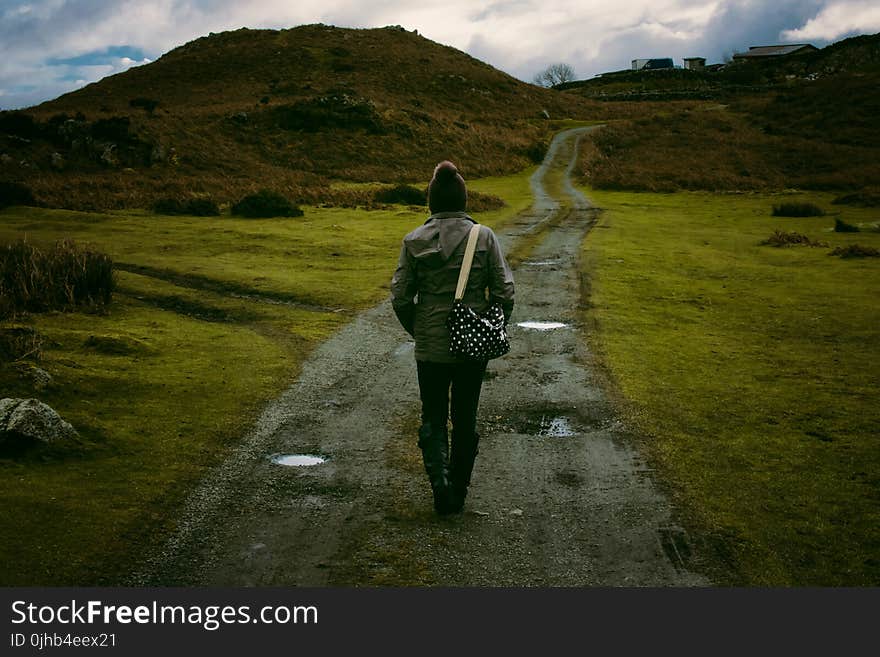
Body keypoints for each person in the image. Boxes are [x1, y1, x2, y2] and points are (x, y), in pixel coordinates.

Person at [390, 161, 515, 515]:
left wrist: (420, 329)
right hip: (471, 343)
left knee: (432, 415)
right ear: (462, 198)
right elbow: (505, 291)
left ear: (431, 201)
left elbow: (400, 296)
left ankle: (439, 485)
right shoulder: (484, 236)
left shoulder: (413, 240)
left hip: (429, 345)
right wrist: (492, 325)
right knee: (465, 416)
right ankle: (458, 490)